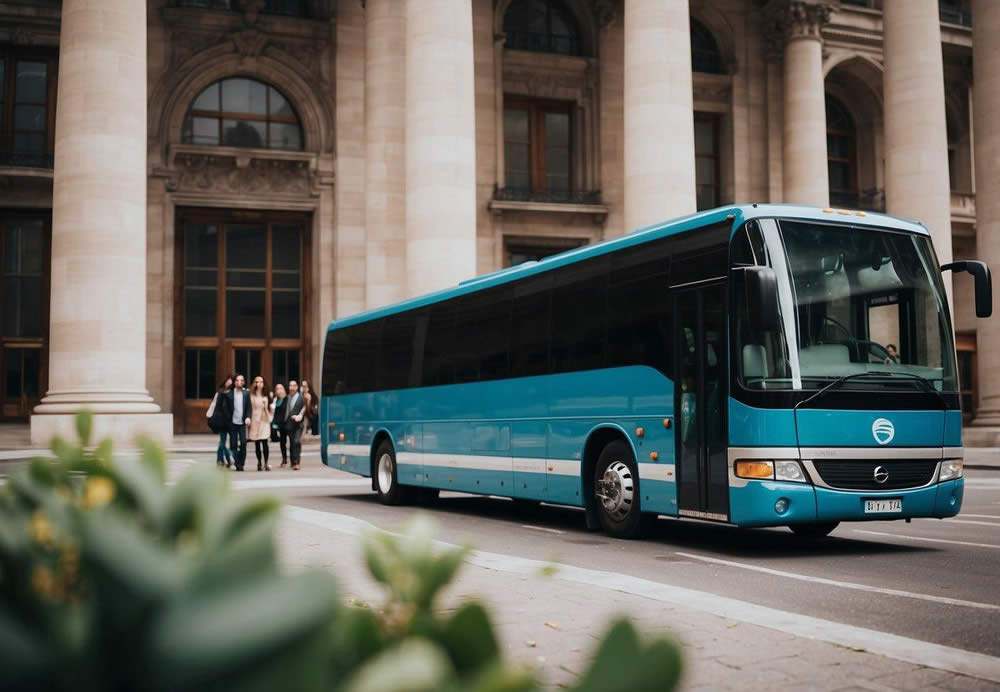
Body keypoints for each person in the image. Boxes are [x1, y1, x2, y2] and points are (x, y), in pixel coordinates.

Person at [206, 375, 234, 467]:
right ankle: (226, 458)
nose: (229, 383)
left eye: (230, 382)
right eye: (227, 381)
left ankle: (220, 459)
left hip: (230, 420)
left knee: (226, 441)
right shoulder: (220, 393)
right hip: (221, 420)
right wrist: (209, 414)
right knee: (222, 441)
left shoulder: (233, 393)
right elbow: (214, 404)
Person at [248, 375, 274, 471]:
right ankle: (259, 462)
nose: (259, 384)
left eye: (261, 382)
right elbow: (249, 409)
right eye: (257, 382)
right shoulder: (251, 396)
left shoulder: (267, 395)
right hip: (255, 421)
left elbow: (271, 409)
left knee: (265, 442)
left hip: (264, 420)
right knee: (257, 443)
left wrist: (266, 405)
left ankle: (266, 463)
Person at [226, 374, 251, 471]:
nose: (239, 382)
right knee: (233, 444)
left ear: (244, 382)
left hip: (242, 423)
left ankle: (242, 462)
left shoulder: (246, 393)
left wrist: (248, 417)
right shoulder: (229, 394)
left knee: (243, 443)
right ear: (234, 382)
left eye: (241, 380)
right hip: (232, 423)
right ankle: (237, 464)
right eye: (237, 380)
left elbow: (249, 407)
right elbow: (226, 409)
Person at [285, 379, 306, 471]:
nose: (292, 387)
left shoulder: (301, 397)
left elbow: (305, 408)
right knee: (292, 443)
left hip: (299, 423)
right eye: (290, 386)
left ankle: (297, 462)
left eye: (294, 385)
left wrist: (300, 415)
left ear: (297, 387)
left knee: (297, 441)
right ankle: (293, 461)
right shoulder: (287, 397)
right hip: (290, 424)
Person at [271, 383, 289, 467]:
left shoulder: (287, 399)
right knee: (282, 442)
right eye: (277, 389)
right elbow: (276, 413)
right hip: (280, 425)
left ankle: (293, 459)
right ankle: (284, 459)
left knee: (292, 442)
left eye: (280, 388)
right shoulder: (276, 400)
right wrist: (274, 423)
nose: (279, 390)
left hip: (287, 424)